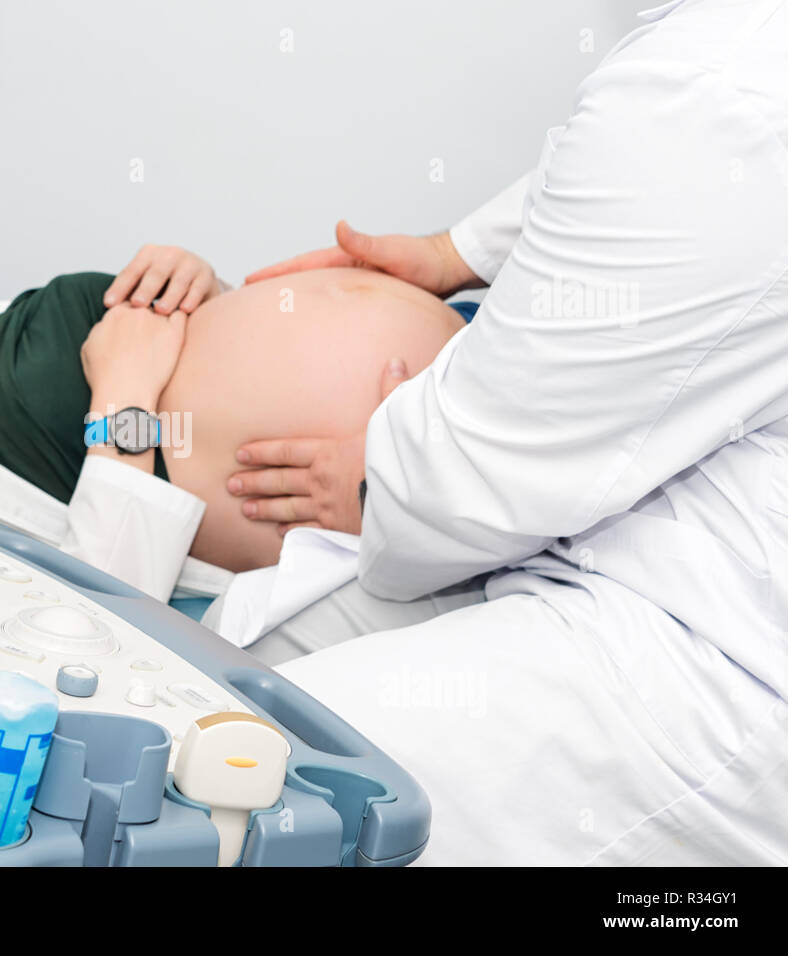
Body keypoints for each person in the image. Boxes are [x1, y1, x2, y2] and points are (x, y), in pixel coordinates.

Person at [214, 0, 788, 864]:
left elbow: (469, 487)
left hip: (713, 658)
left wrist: (372, 485)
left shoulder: (719, 85)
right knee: (221, 656)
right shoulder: (714, 67)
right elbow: (653, 165)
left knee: (243, 784)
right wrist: (458, 250)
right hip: (580, 509)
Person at [0, 248, 465, 601]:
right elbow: (97, 605)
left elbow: (204, 359)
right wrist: (125, 395)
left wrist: (206, 290)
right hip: (405, 499)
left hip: (461, 368)